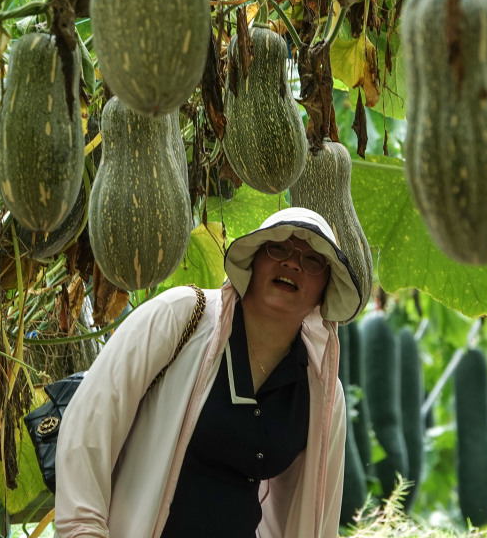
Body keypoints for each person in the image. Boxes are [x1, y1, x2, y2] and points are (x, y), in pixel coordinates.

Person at [55, 206, 366, 538]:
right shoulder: (181, 315)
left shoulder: (321, 391)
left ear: (325, 290)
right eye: (278, 247)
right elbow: (90, 425)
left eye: (312, 260)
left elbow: (314, 517)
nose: (291, 263)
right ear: (253, 261)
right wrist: (82, 530)